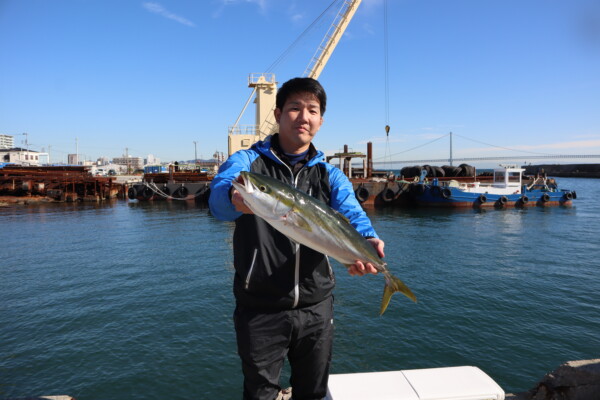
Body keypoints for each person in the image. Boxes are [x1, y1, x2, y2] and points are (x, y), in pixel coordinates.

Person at [209, 77, 383, 400]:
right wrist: (231, 198)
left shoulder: (330, 174)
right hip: (260, 307)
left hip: (317, 306)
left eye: (312, 110)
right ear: (277, 114)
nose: (303, 116)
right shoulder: (250, 163)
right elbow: (219, 198)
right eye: (294, 108)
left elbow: (352, 214)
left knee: (313, 393)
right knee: (259, 394)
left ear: (321, 120)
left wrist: (368, 240)